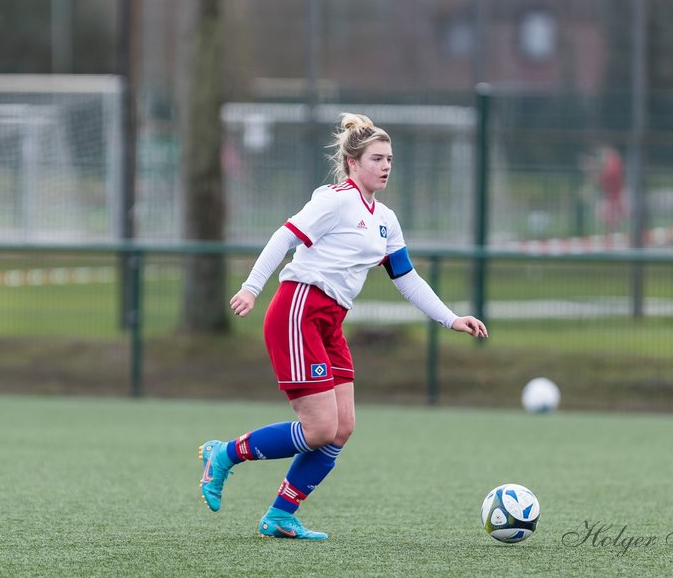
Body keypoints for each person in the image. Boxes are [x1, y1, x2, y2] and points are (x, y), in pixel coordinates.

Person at [197, 113, 489, 540]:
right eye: (377, 158)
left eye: (390, 158)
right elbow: (284, 236)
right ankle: (224, 454)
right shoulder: (335, 200)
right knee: (318, 429)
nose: (386, 166)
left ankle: (279, 515)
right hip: (298, 310)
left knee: (342, 427)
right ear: (353, 162)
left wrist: (450, 318)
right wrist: (250, 288)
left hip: (331, 321)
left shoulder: (385, 218)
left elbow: (406, 278)